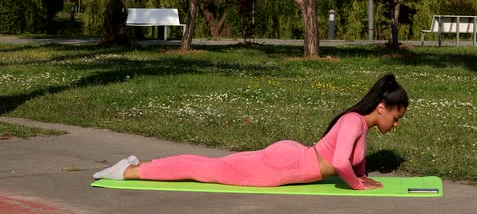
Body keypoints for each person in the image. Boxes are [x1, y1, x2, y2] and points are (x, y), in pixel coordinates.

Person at [93, 73, 409, 190]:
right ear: (381, 107)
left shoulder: (360, 124)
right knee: (205, 169)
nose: (395, 125)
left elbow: (353, 159)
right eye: (396, 118)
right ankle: (127, 171)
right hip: (282, 166)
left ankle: (136, 166)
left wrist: (363, 174)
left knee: (210, 167)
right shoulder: (354, 121)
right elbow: (341, 163)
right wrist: (357, 186)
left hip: (289, 160)